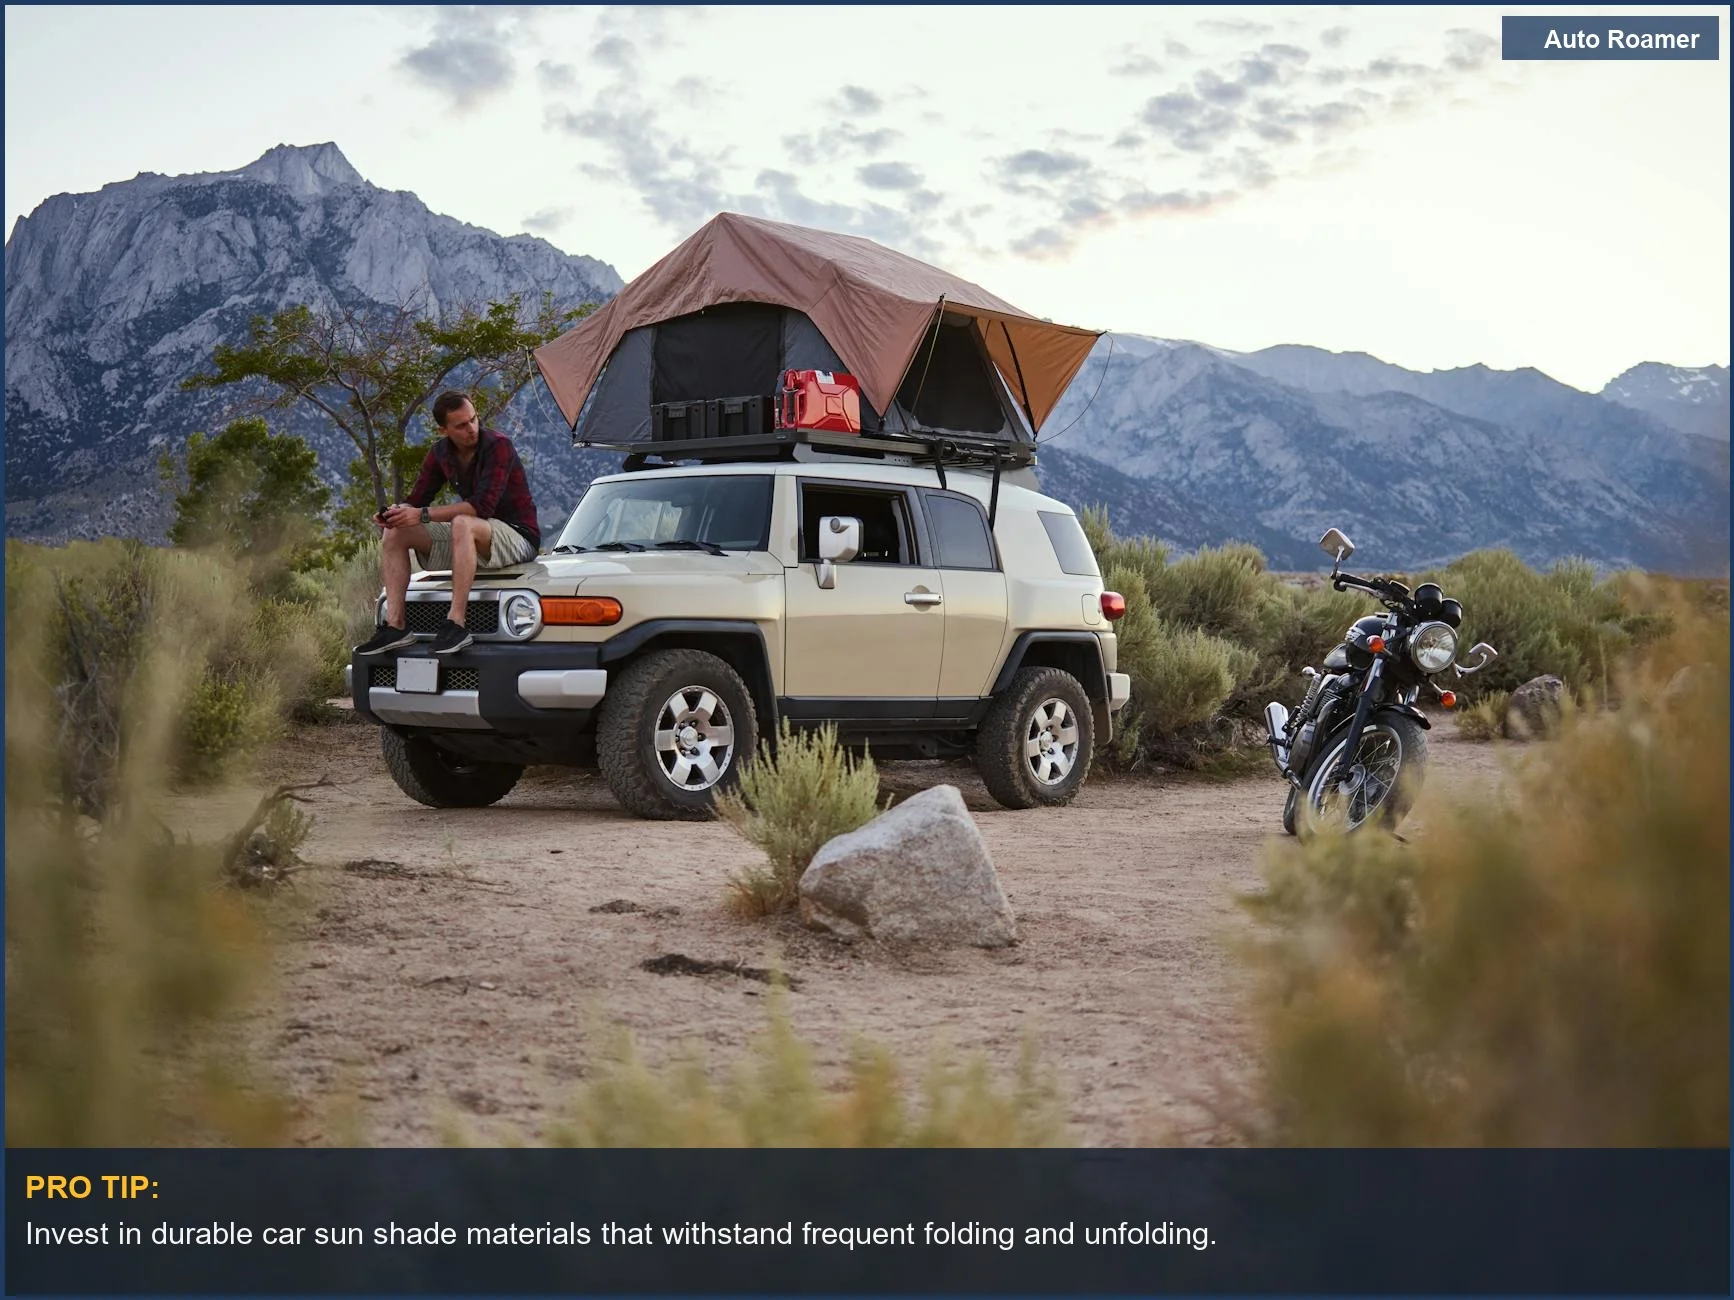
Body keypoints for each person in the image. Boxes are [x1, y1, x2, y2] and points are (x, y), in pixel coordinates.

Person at [354, 390, 542, 657]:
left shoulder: (498, 445)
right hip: (475, 535)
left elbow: (482, 507)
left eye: (474, 420)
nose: (472, 429)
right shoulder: (440, 453)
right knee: (396, 532)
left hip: (518, 536)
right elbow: (418, 499)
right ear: (444, 430)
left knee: (463, 522)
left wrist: (422, 514)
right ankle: (395, 626)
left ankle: (456, 624)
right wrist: (396, 513)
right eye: (462, 425)